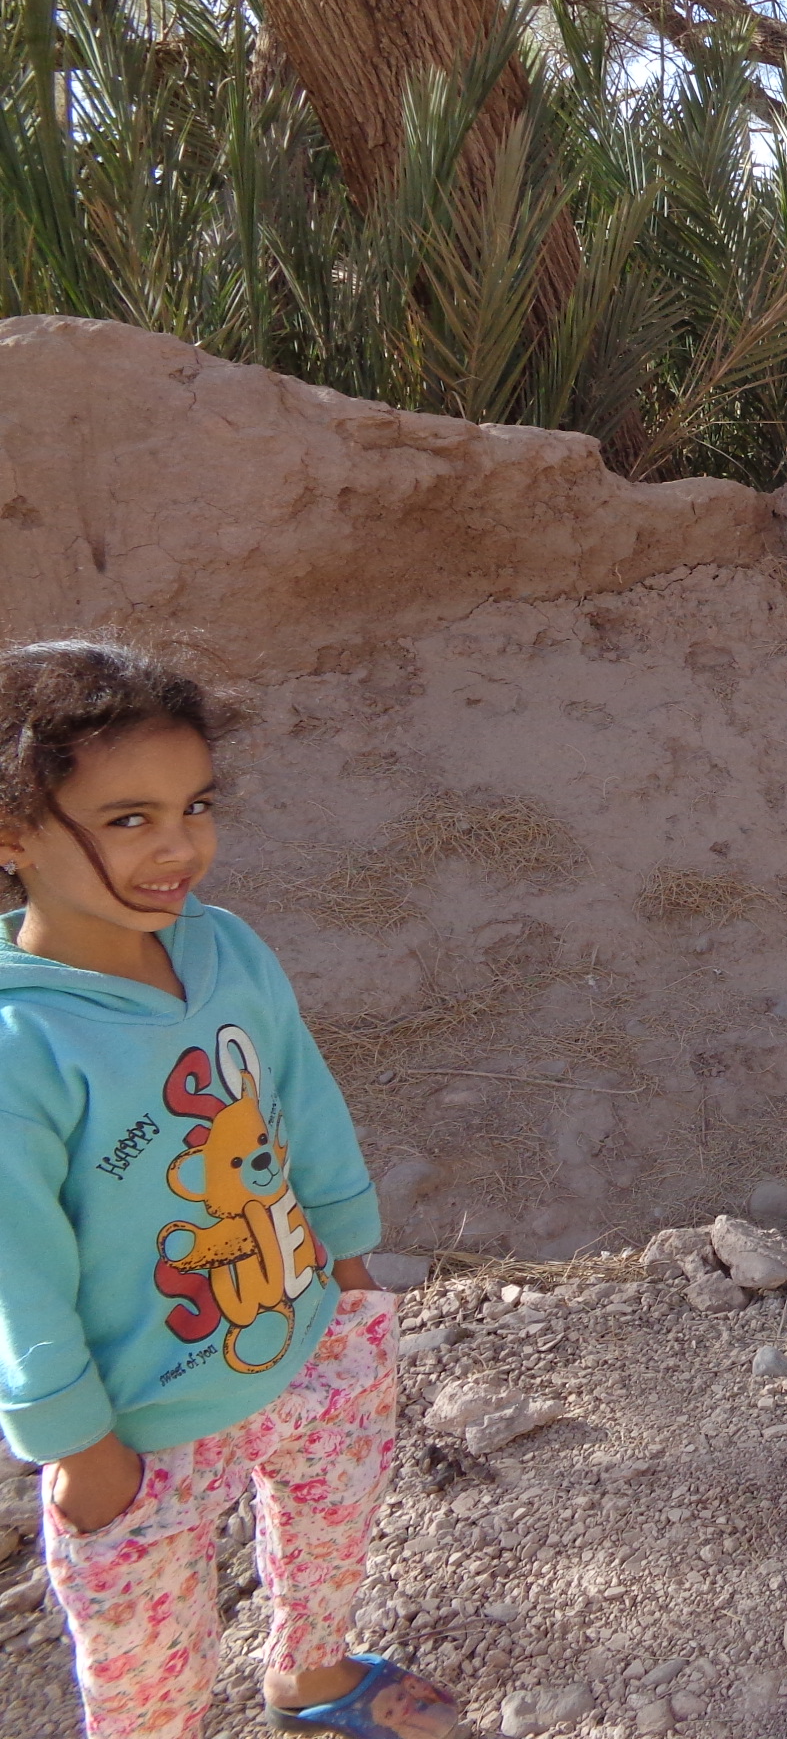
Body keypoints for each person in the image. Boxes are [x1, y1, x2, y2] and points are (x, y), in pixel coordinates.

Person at [0, 640, 456, 1739]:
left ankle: (309, 1675)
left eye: (194, 806)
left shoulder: (224, 947)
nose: (179, 847)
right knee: (148, 1678)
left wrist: (349, 1275)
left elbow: (302, 1096)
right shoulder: (24, 1045)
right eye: (127, 820)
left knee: (332, 1534)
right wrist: (80, 1448)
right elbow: (20, 1275)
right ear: (13, 837)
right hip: (139, 1428)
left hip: (311, 1338)